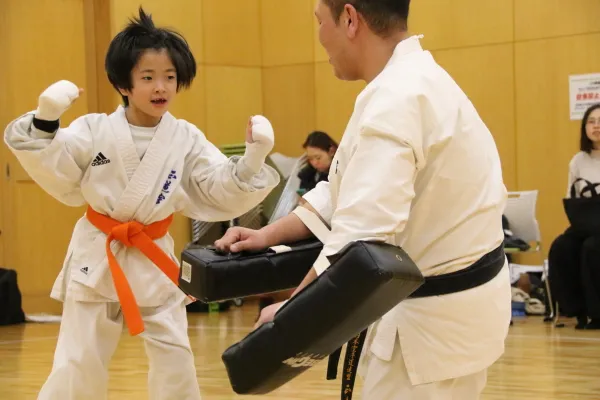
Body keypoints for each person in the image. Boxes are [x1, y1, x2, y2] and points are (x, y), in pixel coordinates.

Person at [214, 0, 511, 398]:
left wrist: (288, 315)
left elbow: (359, 235)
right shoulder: (415, 79)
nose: (319, 36)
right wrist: (267, 235)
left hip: (428, 333)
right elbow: (345, 189)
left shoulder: (397, 99)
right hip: (457, 316)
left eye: (320, 21)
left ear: (350, 19)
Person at [3, 8, 279, 400]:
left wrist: (253, 157)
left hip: (152, 254)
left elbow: (214, 184)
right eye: (148, 77)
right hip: (99, 251)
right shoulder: (95, 129)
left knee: (175, 356)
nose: (160, 87)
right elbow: (58, 166)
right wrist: (46, 120)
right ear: (124, 84)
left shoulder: (185, 137)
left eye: (169, 76)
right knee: (79, 359)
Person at [548, 103, 600, 330]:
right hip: (587, 221)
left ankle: (597, 313)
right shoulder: (578, 160)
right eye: (591, 121)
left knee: (592, 248)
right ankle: (576, 310)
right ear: (584, 128)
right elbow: (572, 196)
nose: (596, 126)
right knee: (561, 247)